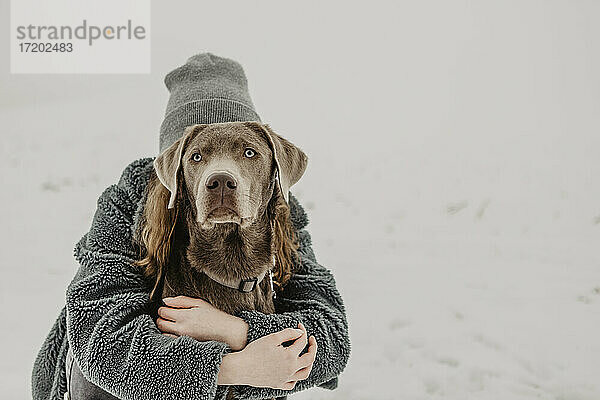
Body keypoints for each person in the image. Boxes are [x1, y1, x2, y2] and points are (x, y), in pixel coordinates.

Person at [31, 53, 351, 400]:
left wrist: (235, 332)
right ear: (177, 177)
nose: (221, 176)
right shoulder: (125, 203)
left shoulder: (280, 211)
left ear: (275, 171)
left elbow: (331, 335)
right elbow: (101, 338)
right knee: (89, 363)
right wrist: (235, 369)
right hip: (118, 383)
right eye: (199, 156)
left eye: (248, 152)